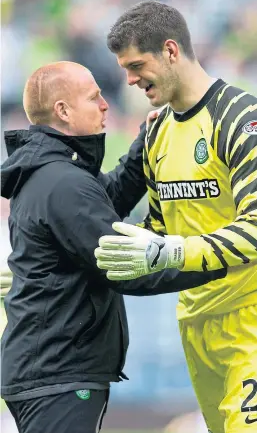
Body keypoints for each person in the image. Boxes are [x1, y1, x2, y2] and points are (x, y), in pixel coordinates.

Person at [0, 61, 223, 433]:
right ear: (63, 111)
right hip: (58, 371)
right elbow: (122, 264)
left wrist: (142, 147)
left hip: (50, 368)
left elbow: (107, 202)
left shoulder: (54, 173)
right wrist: (219, 258)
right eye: (94, 97)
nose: (106, 104)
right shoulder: (62, 183)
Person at [95, 0, 257, 433]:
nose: (128, 80)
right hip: (196, 324)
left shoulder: (241, 119)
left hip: (250, 320)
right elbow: (159, 232)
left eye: (136, 65)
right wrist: (46, 265)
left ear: (170, 51)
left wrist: (170, 250)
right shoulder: (156, 133)